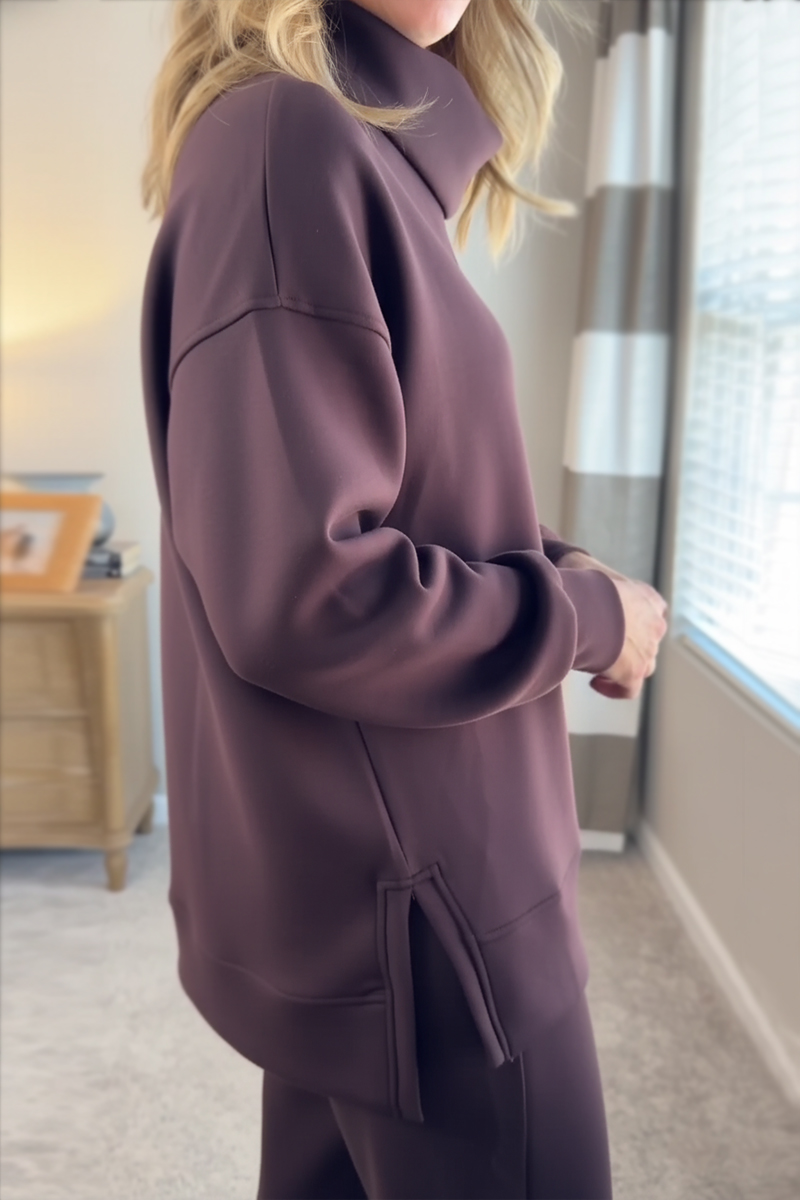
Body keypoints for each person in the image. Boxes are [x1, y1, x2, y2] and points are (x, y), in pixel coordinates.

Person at [139, 0, 669, 1196]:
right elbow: (308, 591)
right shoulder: (287, 140)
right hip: (428, 900)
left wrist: (566, 571)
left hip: (381, 874)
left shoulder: (319, 142)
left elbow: (406, 486)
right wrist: (586, 620)